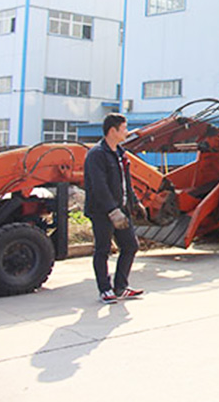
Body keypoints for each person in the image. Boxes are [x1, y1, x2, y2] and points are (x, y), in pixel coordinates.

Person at [84, 113, 144, 304]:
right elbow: (99, 186)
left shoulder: (120, 153)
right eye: (124, 128)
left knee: (130, 246)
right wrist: (112, 210)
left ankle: (121, 287)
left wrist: (135, 203)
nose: (127, 132)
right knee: (103, 250)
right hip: (102, 212)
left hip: (121, 209)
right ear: (113, 131)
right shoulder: (97, 155)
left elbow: (126, 183)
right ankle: (105, 290)